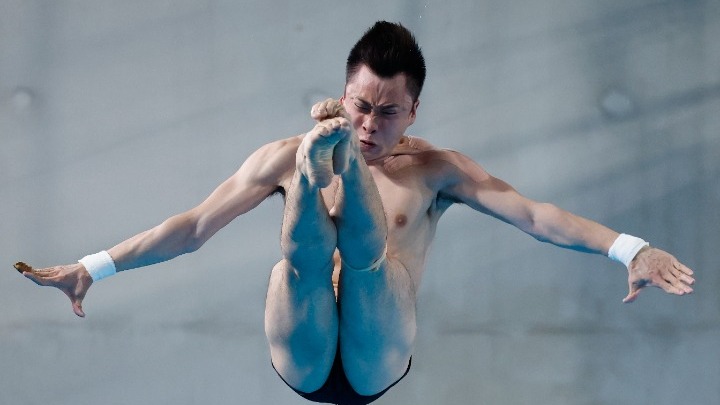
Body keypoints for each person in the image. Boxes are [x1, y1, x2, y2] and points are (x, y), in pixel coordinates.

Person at [14, 21, 695, 405]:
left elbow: (537, 217)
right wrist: (94, 266)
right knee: (296, 267)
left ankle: (329, 166)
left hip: (376, 353)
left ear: (414, 111)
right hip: (302, 345)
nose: (371, 124)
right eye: (359, 108)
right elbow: (192, 228)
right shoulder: (278, 155)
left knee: (374, 267)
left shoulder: (436, 169)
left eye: (387, 112)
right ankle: (322, 168)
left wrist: (630, 247)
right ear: (343, 95)